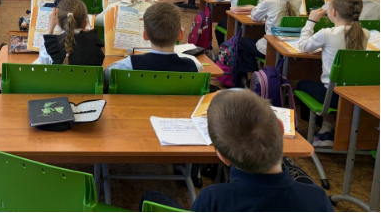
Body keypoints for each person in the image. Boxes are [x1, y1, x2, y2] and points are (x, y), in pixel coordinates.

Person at [142, 91, 335, 212]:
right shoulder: (316, 198)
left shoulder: (213, 198)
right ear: (280, 128)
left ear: (222, 156)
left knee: (149, 197)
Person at [297, 0, 370, 147]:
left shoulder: (327, 34)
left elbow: (302, 46)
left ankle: (325, 127)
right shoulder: (365, 34)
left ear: (334, 12)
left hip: (332, 96)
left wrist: (311, 21)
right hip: (353, 95)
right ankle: (327, 127)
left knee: (302, 84)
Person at [236, 0, 302, 86]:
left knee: (242, 42)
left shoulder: (270, 1)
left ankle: (254, 77)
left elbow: (255, 16)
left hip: (272, 48)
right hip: (290, 46)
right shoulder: (297, 0)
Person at [104, 3, 199, 82]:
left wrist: (127, 59)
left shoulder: (130, 64)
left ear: (145, 35)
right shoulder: (193, 67)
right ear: (181, 34)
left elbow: (106, 75)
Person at [39, 0, 105, 66]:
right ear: (85, 23)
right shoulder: (94, 42)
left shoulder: (52, 45)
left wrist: (50, 28)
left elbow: (43, 61)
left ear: (58, 22)